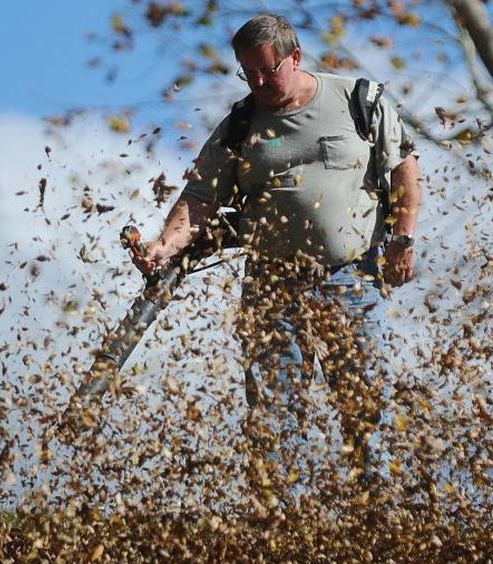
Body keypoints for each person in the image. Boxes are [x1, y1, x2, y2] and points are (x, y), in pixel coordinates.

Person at [130, 14, 421, 503]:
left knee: (365, 404)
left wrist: (402, 239)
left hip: (350, 278)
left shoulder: (357, 101)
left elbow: (404, 172)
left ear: (296, 57)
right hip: (271, 283)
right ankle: (279, 525)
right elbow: (200, 195)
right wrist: (163, 247)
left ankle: (380, 518)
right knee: (273, 409)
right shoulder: (241, 123)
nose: (260, 83)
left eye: (269, 71)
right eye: (249, 73)